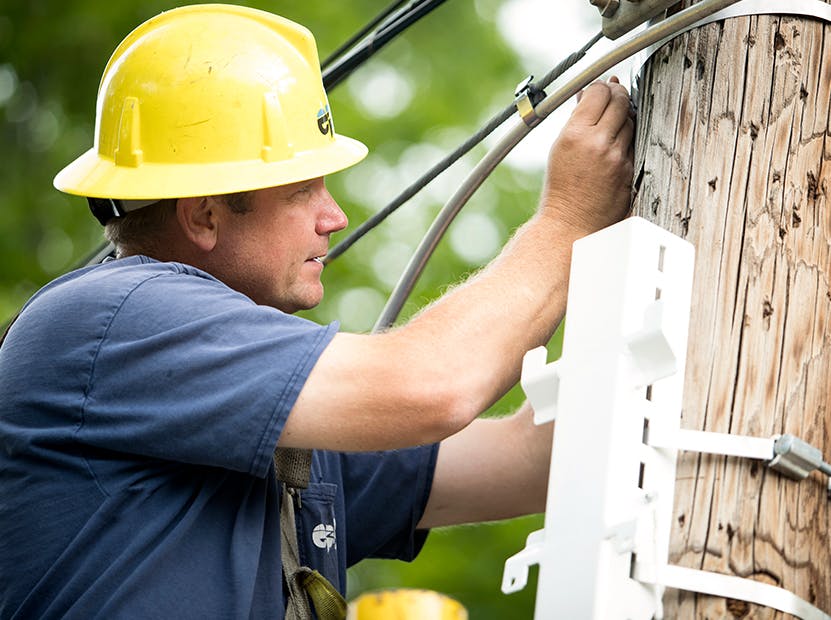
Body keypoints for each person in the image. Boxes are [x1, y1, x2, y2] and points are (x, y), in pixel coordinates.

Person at [0, 4, 634, 619]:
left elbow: (529, 461)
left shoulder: (279, 415)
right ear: (203, 214)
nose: (335, 218)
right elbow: (435, 385)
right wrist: (568, 221)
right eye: (303, 191)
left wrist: (650, 279)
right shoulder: (107, 319)